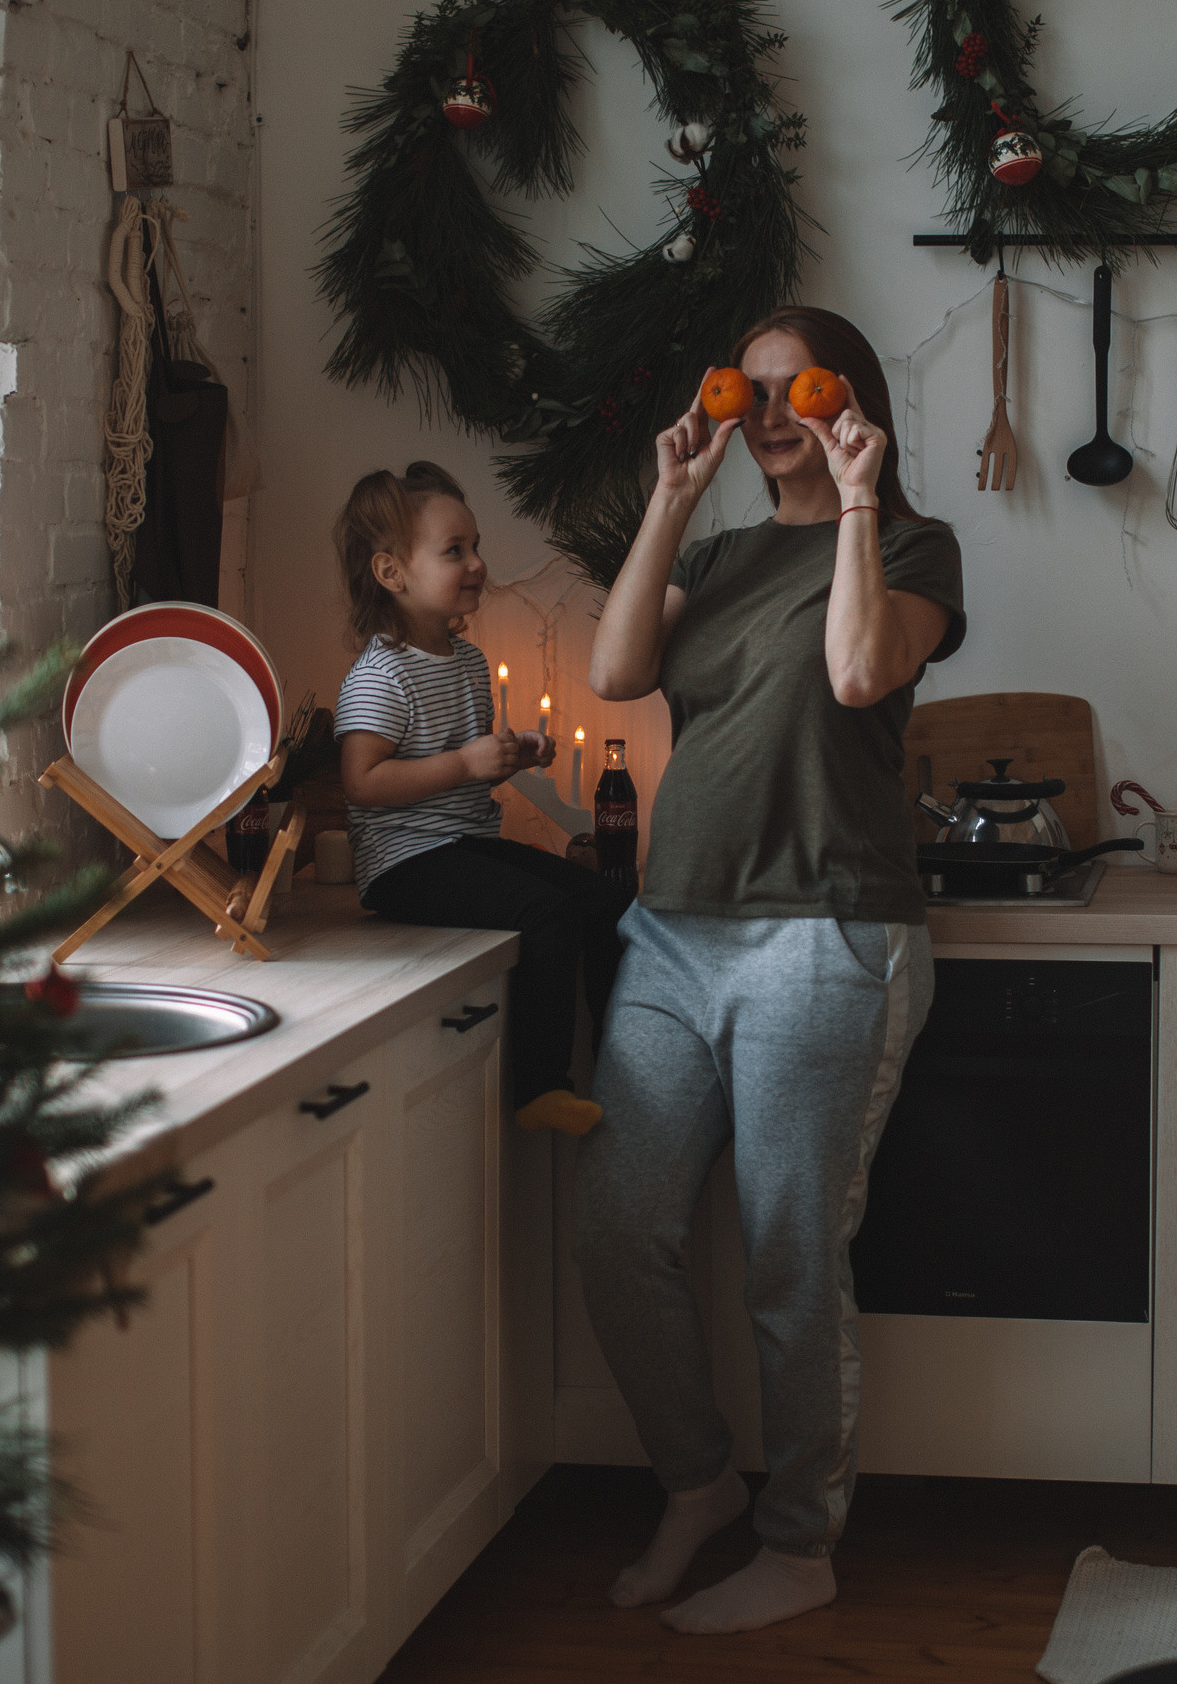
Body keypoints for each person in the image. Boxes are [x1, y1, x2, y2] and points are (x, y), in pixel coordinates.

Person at [577, 308, 967, 1633]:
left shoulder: (914, 543)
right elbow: (616, 665)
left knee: (793, 1252)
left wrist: (859, 500)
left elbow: (860, 671)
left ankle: (802, 1538)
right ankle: (698, 1481)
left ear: (841, 394)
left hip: (826, 929)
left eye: (791, 385)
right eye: (746, 392)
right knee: (620, 1225)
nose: (767, 411)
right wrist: (671, 500)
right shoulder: (726, 546)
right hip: (675, 930)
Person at [333, 461, 627, 1136]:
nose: (476, 564)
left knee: (608, 898)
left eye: (475, 546)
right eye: (454, 551)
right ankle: (541, 1087)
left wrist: (508, 754)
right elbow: (362, 782)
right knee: (548, 913)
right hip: (405, 863)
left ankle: (623, 1059)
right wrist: (466, 761)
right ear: (391, 573)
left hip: (463, 844)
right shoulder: (380, 673)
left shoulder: (465, 662)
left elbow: (461, 769)